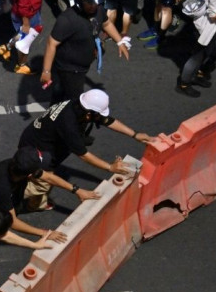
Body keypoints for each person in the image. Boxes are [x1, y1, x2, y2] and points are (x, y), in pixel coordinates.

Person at [18, 89, 152, 211]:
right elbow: (83, 155)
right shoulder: (68, 125)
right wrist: (110, 167)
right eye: (98, 114)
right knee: (42, 183)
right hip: (38, 152)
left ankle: (36, 203)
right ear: (89, 114)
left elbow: (107, 120)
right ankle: (10, 196)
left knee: (44, 178)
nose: (100, 117)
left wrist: (135, 134)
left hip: (41, 141)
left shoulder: (78, 105)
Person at [0, 146, 100, 242]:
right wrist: (45, 233)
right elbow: (12, 221)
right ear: (29, 176)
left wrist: (77, 190)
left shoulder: (16, 165)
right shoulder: (2, 187)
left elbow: (48, 177)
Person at [40, 0, 131, 105]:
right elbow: (51, 44)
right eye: (90, 4)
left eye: (96, 3)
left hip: (82, 67)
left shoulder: (98, 10)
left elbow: (106, 23)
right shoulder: (67, 20)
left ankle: (52, 114)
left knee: (60, 90)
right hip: (70, 69)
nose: (94, 6)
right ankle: (69, 120)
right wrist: (46, 71)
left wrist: (120, 42)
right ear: (80, 1)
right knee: (76, 100)